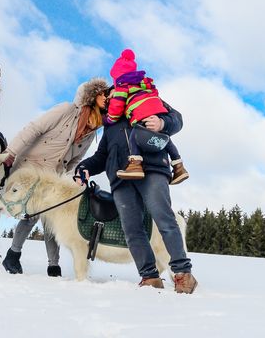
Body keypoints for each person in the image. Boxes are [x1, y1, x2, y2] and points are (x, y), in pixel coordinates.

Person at [74, 91, 198, 293]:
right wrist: (84, 168)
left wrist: (162, 123)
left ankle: (183, 273)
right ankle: (149, 276)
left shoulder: (145, 100)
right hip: (121, 180)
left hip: (153, 170)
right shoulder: (110, 125)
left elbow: (177, 119)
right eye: (109, 96)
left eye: (115, 92)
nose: (112, 97)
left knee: (163, 218)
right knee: (132, 229)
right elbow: (101, 156)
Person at [1, 77, 110, 277]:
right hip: (30, 169)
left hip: (53, 176)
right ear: (93, 97)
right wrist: (10, 153)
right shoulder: (66, 110)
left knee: (53, 215)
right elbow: (34, 128)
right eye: (104, 94)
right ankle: (13, 255)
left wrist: (71, 180)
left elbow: (75, 160)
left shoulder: (92, 131)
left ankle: (53, 265)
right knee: (33, 214)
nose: (107, 98)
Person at [105, 49, 188, 184]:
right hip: (157, 109)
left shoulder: (122, 87)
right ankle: (179, 167)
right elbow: (154, 93)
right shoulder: (144, 84)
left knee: (134, 136)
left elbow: (116, 108)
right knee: (165, 139)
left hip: (143, 117)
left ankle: (135, 164)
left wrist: (109, 119)